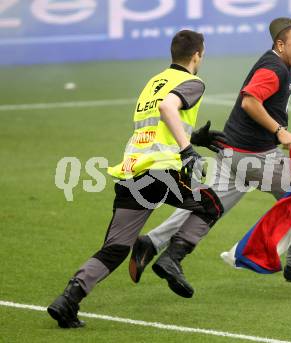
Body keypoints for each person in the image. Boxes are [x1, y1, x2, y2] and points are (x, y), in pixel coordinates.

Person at [129, 18, 291, 286]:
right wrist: (279, 130)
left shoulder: (281, 66)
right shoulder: (273, 68)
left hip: (232, 151)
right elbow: (250, 101)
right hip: (255, 157)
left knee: (209, 204)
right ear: (280, 44)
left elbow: (289, 85)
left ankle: (153, 244)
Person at [47, 29, 227, 329]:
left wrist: (195, 136)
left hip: (134, 171)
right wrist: (187, 150)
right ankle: (172, 258)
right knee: (210, 207)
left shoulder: (153, 83)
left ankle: (68, 299)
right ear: (198, 54)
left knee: (116, 247)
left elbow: (158, 126)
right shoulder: (192, 81)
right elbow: (168, 109)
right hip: (161, 171)